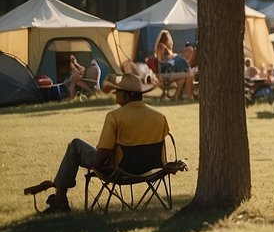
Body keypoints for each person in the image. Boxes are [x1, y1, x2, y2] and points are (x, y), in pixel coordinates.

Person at [33, 72, 170, 213]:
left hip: (121, 169)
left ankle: (60, 199)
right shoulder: (160, 117)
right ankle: (59, 198)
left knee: (75, 145)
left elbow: (104, 151)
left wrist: (96, 167)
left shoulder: (115, 117)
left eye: (118, 92)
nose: (115, 95)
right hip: (153, 170)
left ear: (129, 95)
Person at [155, 30, 194, 100]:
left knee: (183, 78)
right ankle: (189, 97)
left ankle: (177, 96)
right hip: (165, 74)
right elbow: (162, 60)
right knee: (190, 74)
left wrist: (175, 56)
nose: (170, 40)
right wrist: (174, 57)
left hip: (170, 72)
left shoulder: (165, 48)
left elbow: (170, 59)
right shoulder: (161, 47)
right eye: (169, 38)